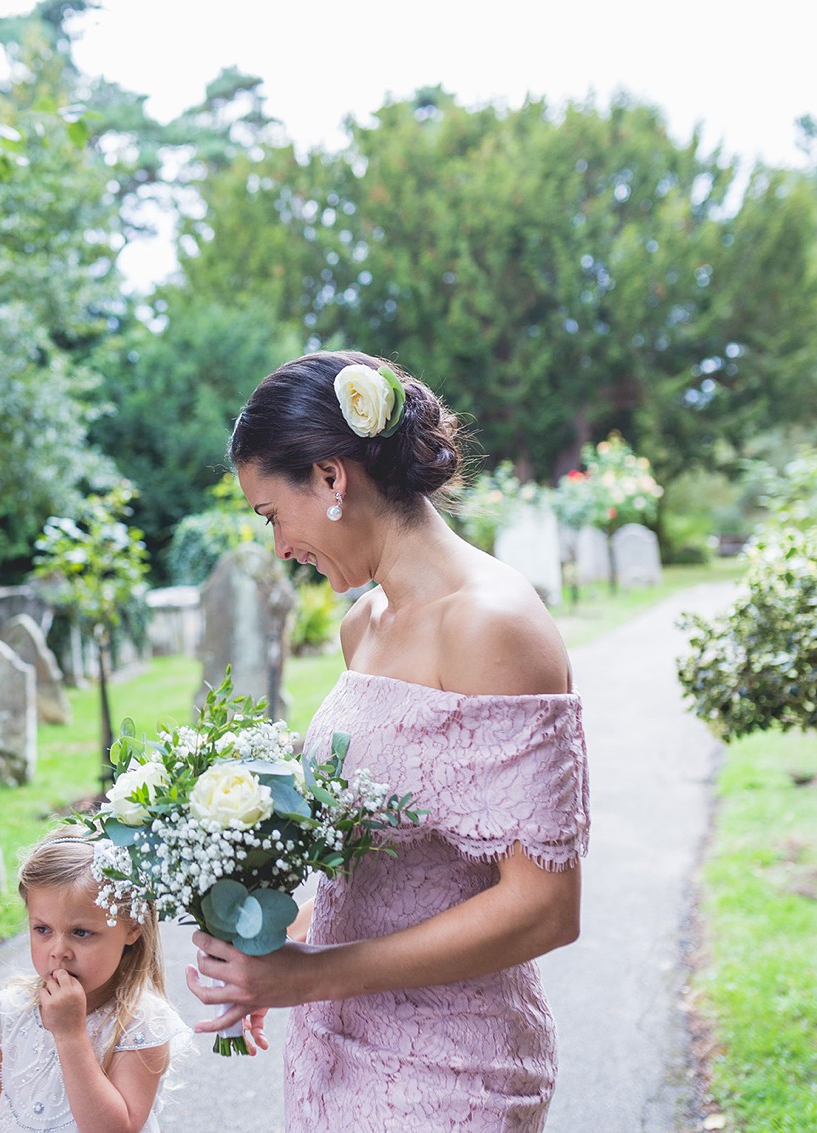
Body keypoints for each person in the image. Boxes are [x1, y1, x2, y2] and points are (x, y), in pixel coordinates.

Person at [190, 351, 589, 1131]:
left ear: (332, 478)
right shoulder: (362, 624)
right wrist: (275, 951)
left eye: (273, 513)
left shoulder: (494, 624)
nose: (278, 547)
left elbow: (546, 906)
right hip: (333, 1046)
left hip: (450, 1069)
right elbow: (384, 863)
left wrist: (314, 974)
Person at [0, 834, 191, 1133]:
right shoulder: (6, 1014)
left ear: (133, 928)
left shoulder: (142, 1024)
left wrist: (70, 1035)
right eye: (42, 929)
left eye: (81, 933)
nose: (58, 951)